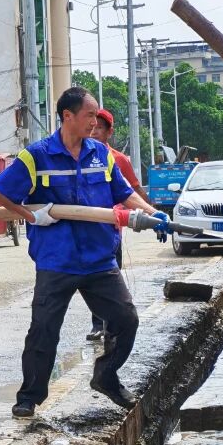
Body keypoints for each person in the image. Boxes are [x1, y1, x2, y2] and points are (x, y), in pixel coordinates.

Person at [0, 86, 171, 419]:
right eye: (89, 115)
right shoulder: (36, 156)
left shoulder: (101, 154)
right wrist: (32, 215)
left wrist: (151, 212)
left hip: (99, 258)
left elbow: (124, 193)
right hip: (57, 259)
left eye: (96, 115)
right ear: (67, 116)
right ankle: (29, 397)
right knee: (43, 329)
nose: (94, 121)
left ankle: (106, 376)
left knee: (126, 319)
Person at [86, 109, 148, 342]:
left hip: (111, 231)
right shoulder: (77, 157)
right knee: (90, 279)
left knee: (109, 278)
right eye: (91, 127)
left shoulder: (118, 160)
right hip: (86, 229)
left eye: (99, 128)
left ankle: (112, 325)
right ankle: (97, 325)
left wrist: (152, 214)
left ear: (109, 132)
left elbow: (132, 191)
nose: (93, 132)